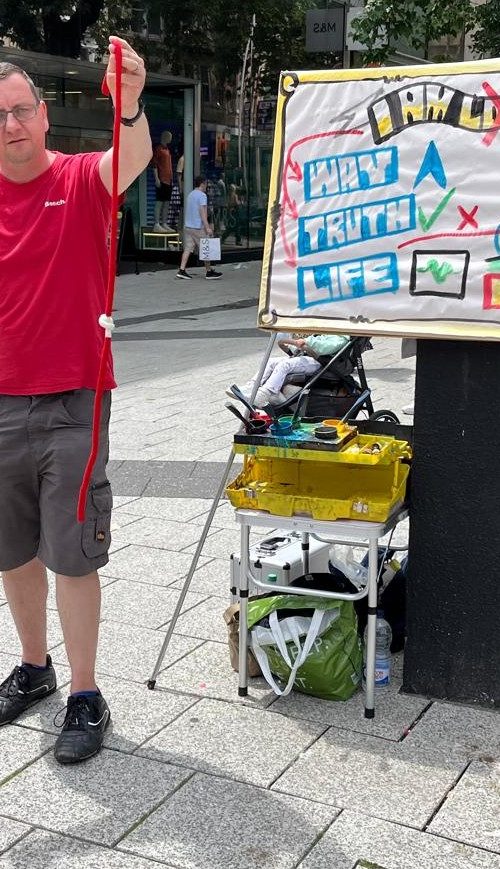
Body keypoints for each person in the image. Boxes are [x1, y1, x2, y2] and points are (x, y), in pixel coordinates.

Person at [0, 36, 152, 764]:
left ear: (44, 117)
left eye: (21, 110)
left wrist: (130, 105)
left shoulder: (82, 177)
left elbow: (133, 162)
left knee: (73, 552)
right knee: (12, 548)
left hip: (73, 399)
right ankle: (35, 668)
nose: (11, 125)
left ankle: (86, 693)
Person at [228, 333, 350, 408]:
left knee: (285, 365)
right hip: (308, 355)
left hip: (321, 362)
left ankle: (264, 394)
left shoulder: (341, 338)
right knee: (271, 362)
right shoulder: (329, 333)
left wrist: (308, 341)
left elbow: (325, 348)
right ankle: (252, 386)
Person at [177, 175, 222, 280]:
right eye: (206, 184)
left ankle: (181, 270)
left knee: (188, 248)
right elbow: (203, 212)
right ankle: (209, 271)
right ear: (202, 184)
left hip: (188, 226)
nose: (206, 186)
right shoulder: (202, 196)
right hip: (198, 227)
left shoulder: (190, 195)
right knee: (206, 248)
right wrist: (207, 227)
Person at [152, 129, 174, 232]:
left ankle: (164, 223)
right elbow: (154, 164)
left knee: (167, 203)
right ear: (165, 137)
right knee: (159, 202)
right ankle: (156, 224)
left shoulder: (167, 150)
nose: (171, 139)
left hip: (169, 180)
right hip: (161, 180)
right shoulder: (158, 149)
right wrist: (156, 178)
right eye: (169, 137)